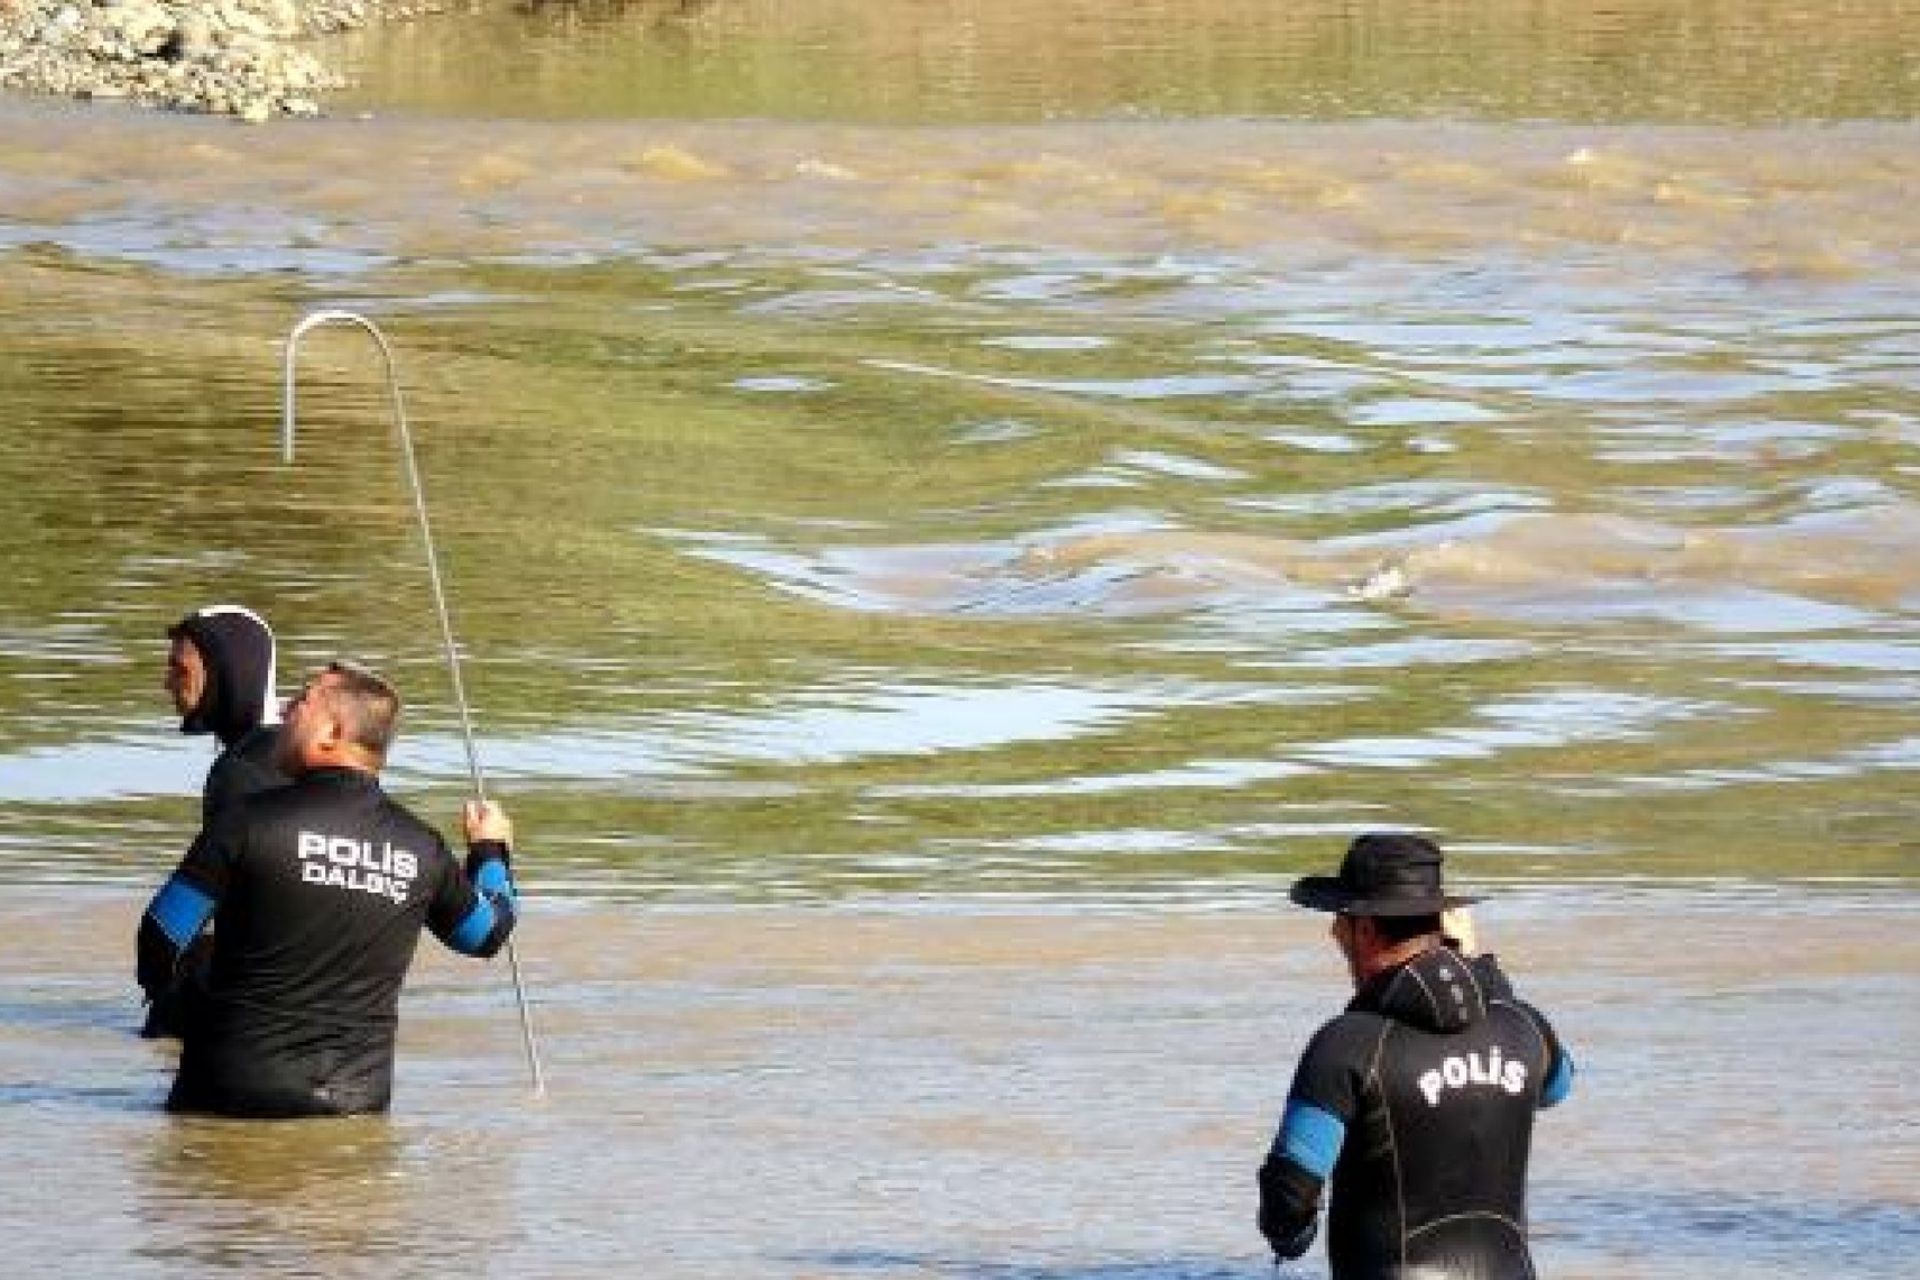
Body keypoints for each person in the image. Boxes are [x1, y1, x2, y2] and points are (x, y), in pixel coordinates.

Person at [137, 659, 522, 1117]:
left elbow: (161, 937)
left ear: (332, 733)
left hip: (228, 1095)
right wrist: (490, 852)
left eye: (300, 702)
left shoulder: (245, 823)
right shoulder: (422, 849)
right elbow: (486, 934)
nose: (282, 712)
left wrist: (182, 1013)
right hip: (355, 1107)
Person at [1258, 833, 1574, 1279]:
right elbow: (1558, 1086)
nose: (1333, 932)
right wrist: (1479, 970)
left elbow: (1288, 1203)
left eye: (1340, 919)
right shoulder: (1524, 1028)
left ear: (1364, 929)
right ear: (1442, 922)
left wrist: (1291, 1239)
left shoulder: (1344, 1047)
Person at [143, 604, 291, 1038]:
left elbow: (169, 924)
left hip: (257, 995)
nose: (168, 682)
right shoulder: (285, 752)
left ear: (227, 672)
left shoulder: (239, 773)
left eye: (179, 669)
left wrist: (161, 982)